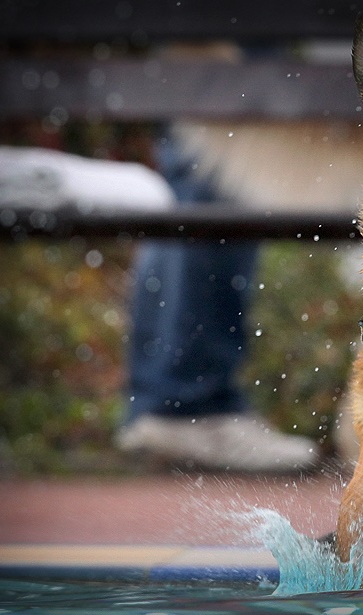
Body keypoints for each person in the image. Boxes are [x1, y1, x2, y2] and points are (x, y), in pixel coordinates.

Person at [115, 128, 319, 471]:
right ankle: (189, 407)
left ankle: (173, 403)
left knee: (196, 177)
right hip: (215, 90)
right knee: (213, 173)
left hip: (195, 85)